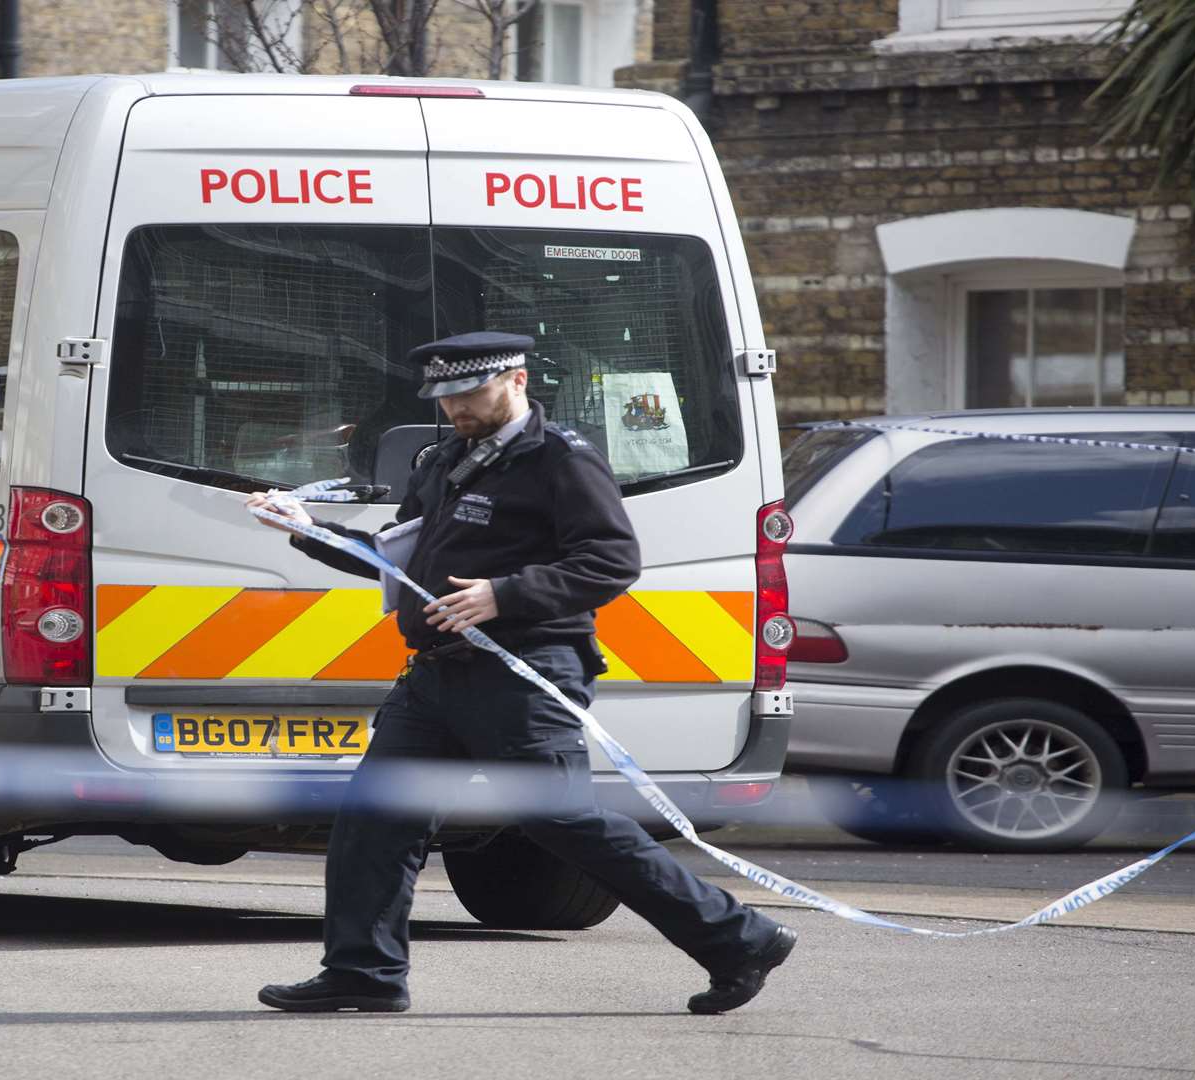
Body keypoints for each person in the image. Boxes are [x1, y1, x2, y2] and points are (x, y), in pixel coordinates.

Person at [245, 330, 796, 1016]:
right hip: (436, 678)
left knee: (561, 822)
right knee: (373, 821)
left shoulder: (562, 461)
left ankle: (738, 937)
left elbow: (612, 561)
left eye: (471, 394)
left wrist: (503, 594)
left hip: (524, 673)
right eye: (445, 398)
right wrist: (306, 530)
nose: (457, 410)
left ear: (517, 380)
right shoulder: (448, 458)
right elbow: (400, 564)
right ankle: (363, 972)